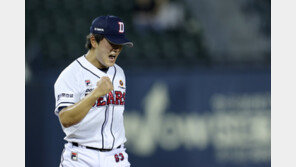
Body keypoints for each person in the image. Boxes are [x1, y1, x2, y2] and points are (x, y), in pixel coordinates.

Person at [54, 15, 133, 167]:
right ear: (93, 41)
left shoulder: (119, 73)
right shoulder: (71, 74)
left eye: (120, 44)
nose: (116, 49)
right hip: (81, 157)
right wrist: (95, 94)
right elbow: (65, 119)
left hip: (116, 156)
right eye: (112, 43)